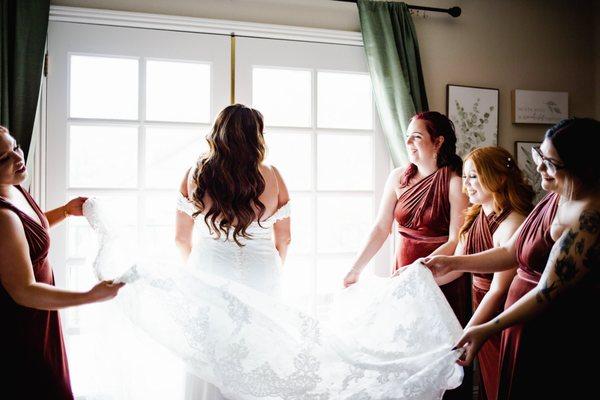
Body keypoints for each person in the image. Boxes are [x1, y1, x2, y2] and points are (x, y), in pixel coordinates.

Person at [425, 118, 600, 399]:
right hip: (519, 321)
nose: (540, 167)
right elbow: (509, 253)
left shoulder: (589, 217)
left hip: (550, 329)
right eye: (540, 156)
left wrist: (485, 329)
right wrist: (454, 262)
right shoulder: (554, 197)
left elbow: (546, 293)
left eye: (551, 163)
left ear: (582, 167)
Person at [175, 104, 291, 399]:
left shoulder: (195, 175)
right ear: (257, 136)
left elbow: (180, 238)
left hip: (209, 269)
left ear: (218, 134)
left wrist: (196, 268)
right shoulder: (273, 177)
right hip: (261, 272)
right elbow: (285, 239)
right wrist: (273, 267)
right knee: (259, 350)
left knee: (211, 350)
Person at [0, 125, 124, 399]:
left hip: (40, 316)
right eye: (4, 158)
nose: (18, 158)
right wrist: (91, 295)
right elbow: (24, 291)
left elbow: (28, 232)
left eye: (16, 147)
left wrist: (66, 211)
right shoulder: (2, 217)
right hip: (23, 324)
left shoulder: (14, 188)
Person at [448, 147, 533, 400]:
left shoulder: (514, 222)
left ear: (499, 177)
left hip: (500, 313)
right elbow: (456, 266)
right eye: (465, 177)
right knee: (485, 382)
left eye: (473, 177)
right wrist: (417, 275)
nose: (466, 186)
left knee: (501, 384)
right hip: (479, 305)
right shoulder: (475, 218)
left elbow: (497, 290)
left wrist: (469, 331)